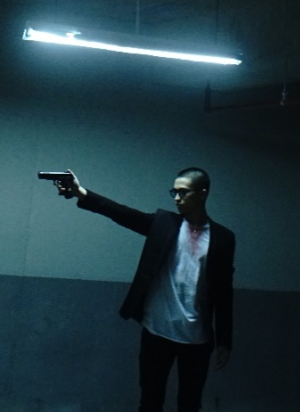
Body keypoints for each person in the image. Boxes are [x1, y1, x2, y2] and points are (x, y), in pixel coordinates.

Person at [51, 167, 235, 412]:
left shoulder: (223, 238)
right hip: (156, 331)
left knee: (190, 404)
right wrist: (80, 192)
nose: (177, 198)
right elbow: (122, 213)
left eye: (183, 192)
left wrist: (224, 340)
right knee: (150, 401)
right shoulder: (165, 223)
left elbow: (223, 293)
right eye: (174, 192)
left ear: (202, 194)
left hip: (197, 339)